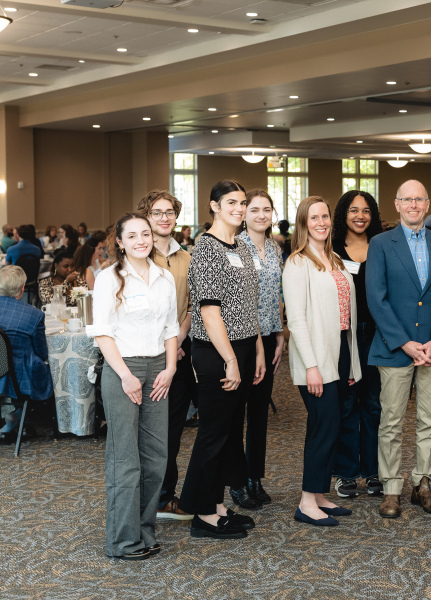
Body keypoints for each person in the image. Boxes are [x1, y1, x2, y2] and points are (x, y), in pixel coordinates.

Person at [366, 179, 431, 519]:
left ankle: (423, 484)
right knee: (390, 422)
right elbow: (376, 298)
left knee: (429, 421)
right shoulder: (380, 243)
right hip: (395, 348)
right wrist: (405, 343)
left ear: (427, 203)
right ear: (397, 204)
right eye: (407, 199)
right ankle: (391, 488)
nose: (413, 205)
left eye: (419, 199)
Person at [87, 213, 178, 560]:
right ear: (121, 242)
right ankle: (122, 541)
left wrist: (169, 368)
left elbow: (171, 328)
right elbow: (103, 332)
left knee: (156, 458)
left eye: (146, 234)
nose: (141, 240)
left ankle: (144, 531)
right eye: (133, 235)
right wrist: (125, 375)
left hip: (158, 370)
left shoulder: (164, 277)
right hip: (121, 369)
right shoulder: (109, 279)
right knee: (126, 460)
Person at [178, 180, 265, 540]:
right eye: (231, 202)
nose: (240, 208)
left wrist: (257, 350)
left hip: (243, 347)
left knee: (230, 431)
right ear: (214, 206)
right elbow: (210, 313)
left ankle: (216, 505)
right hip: (218, 351)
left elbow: (248, 306)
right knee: (214, 433)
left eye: (243, 202)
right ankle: (201, 513)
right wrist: (230, 359)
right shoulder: (206, 248)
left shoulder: (242, 247)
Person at [283, 196, 362, 526]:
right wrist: (312, 366)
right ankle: (306, 502)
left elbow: (347, 318)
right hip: (314, 358)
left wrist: (352, 364)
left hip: (339, 352)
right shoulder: (297, 263)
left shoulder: (335, 259)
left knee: (333, 425)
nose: (321, 222)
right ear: (303, 223)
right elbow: (297, 320)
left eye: (325, 216)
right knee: (323, 427)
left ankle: (318, 494)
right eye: (313, 217)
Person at [136, 190, 195, 522]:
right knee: (148, 430)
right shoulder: (137, 255)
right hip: (147, 355)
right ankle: (145, 495)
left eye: (170, 212)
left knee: (173, 430)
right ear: (147, 216)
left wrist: (179, 336)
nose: (164, 218)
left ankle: (164, 496)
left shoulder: (186, 257)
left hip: (181, 354)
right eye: (157, 212)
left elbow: (190, 307)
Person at [331, 190, 384, 499]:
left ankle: (375, 471)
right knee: (347, 404)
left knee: (375, 405)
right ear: (344, 214)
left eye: (366, 210)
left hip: (379, 335)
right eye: (353, 210)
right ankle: (347, 472)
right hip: (344, 334)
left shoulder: (382, 246)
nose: (360, 216)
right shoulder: (332, 248)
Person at [236, 190, 285, 507]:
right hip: (241, 340)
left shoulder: (276, 247)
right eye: (254, 209)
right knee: (234, 414)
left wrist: (281, 334)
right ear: (243, 213)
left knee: (258, 414)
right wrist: (257, 348)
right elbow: (241, 302)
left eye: (267, 209)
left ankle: (255, 476)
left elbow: (278, 294)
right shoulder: (235, 247)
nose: (261, 215)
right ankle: (237, 481)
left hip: (269, 336)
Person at [0, 266, 53, 442]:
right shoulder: (34, 314)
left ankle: (13, 420)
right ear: (22, 288)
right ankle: (21, 420)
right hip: (19, 378)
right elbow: (42, 352)